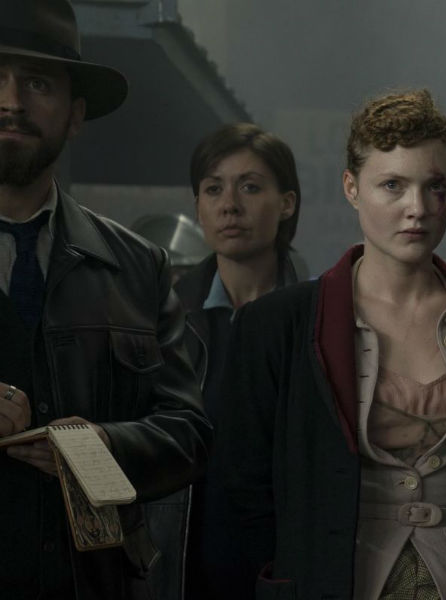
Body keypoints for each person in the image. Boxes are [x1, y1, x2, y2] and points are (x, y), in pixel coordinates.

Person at [209, 89, 446, 599]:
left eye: (435, 186)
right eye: (392, 185)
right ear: (351, 188)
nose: (417, 209)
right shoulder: (276, 326)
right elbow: (238, 498)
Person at [0, 1, 212, 598]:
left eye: (37, 83)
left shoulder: (138, 267)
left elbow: (189, 432)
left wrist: (104, 447)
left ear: (75, 115)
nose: (11, 101)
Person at [151, 123, 304, 600]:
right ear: (197, 205)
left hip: (286, 566)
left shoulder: (318, 320)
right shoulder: (161, 319)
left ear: (287, 203)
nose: (229, 205)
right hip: (183, 563)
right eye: (213, 189)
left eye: (250, 187)